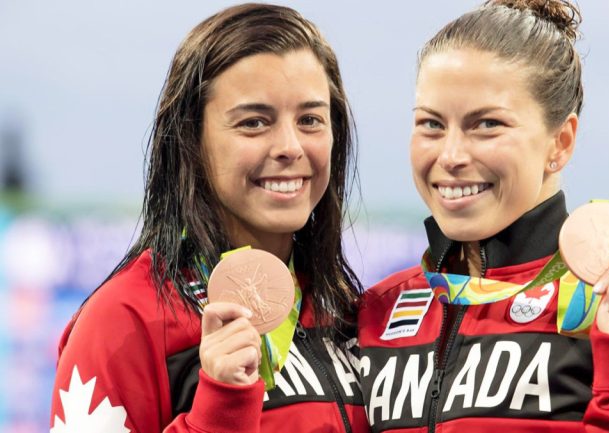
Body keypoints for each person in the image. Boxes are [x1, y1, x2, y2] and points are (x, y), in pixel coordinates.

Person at [357, 1, 609, 432]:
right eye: (431, 124)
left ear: (560, 143)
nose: (450, 156)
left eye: (486, 124)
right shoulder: (376, 311)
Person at [49, 4, 369, 433]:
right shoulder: (124, 320)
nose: (291, 147)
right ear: (190, 140)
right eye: (254, 122)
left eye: (310, 119)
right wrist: (218, 411)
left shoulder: (345, 309)